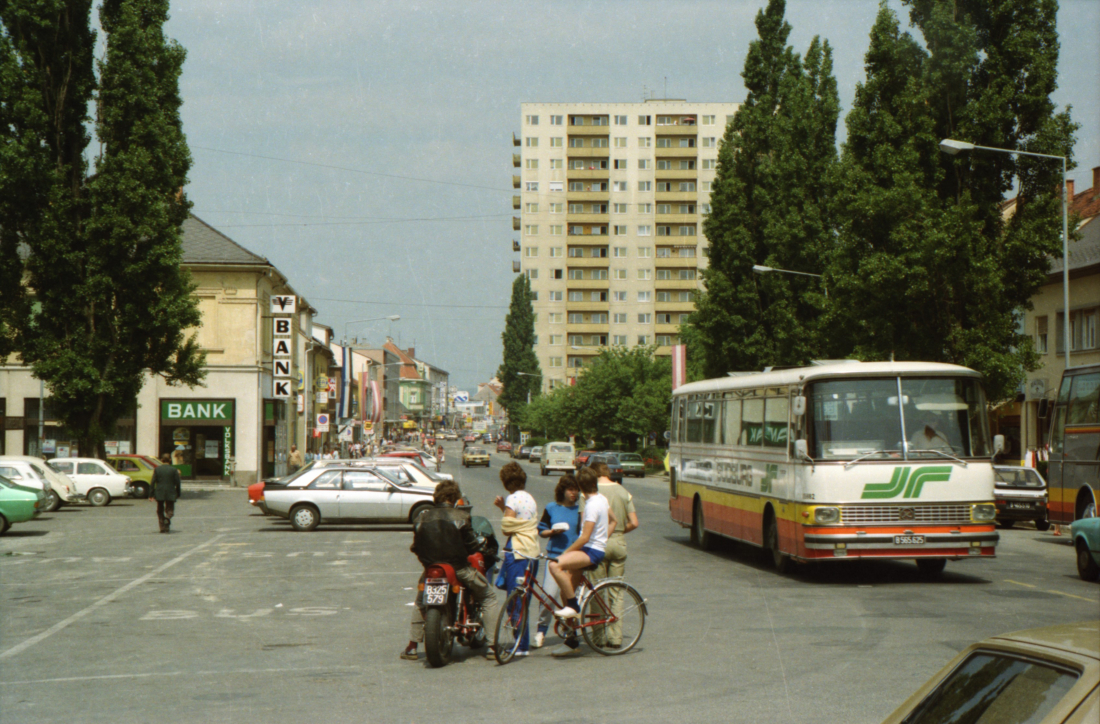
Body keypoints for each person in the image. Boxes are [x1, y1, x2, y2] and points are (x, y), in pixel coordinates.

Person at [401, 481, 497, 661]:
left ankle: (412, 646)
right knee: (488, 597)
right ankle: (492, 646)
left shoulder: (421, 517)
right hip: (459, 569)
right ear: (454, 499)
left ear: (436, 497)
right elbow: (471, 546)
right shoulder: (461, 516)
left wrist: (428, 563)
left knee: (421, 601)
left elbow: (415, 547)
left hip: (432, 570)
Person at [547, 466, 616, 657]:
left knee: (555, 565)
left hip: (590, 551)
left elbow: (584, 537)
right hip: (594, 548)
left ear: (580, 486)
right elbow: (614, 521)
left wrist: (564, 554)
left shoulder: (592, 505)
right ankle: (571, 640)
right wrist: (603, 540)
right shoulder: (601, 499)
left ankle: (574, 607)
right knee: (565, 588)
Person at [492, 461, 539, 658]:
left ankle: (521, 644)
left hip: (518, 551)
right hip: (532, 551)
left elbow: (507, 527)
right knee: (523, 598)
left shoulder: (512, 498)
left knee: (515, 598)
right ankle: (522, 640)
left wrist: (505, 507)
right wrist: (504, 507)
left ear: (505, 482)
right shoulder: (530, 498)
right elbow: (520, 520)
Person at [591, 461, 639, 649]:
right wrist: (618, 531)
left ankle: (599, 637)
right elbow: (634, 522)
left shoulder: (591, 493)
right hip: (618, 542)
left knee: (597, 590)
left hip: (598, 543)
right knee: (616, 591)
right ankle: (616, 637)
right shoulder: (622, 491)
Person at [533, 475, 581, 648]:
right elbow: (541, 531)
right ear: (562, 490)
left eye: (576, 489)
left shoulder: (580, 509)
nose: (574, 493)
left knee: (570, 597)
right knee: (549, 595)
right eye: (570, 489)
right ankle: (541, 630)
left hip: (574, 558)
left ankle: (571, 631)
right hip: (554, 556)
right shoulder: (552, 507)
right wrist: (552, 532)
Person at [149, 453, 182, 534]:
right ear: (170, 460)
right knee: (170, 509)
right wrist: (178, 493)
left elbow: (152, 482)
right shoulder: (174, 470)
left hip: (159, 492)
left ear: (162, 460)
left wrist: (151, 494)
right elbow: (178, 483)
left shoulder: (157, 469)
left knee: (160, 510)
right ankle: (167, 518)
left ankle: (162, 527)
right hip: (170, 492)